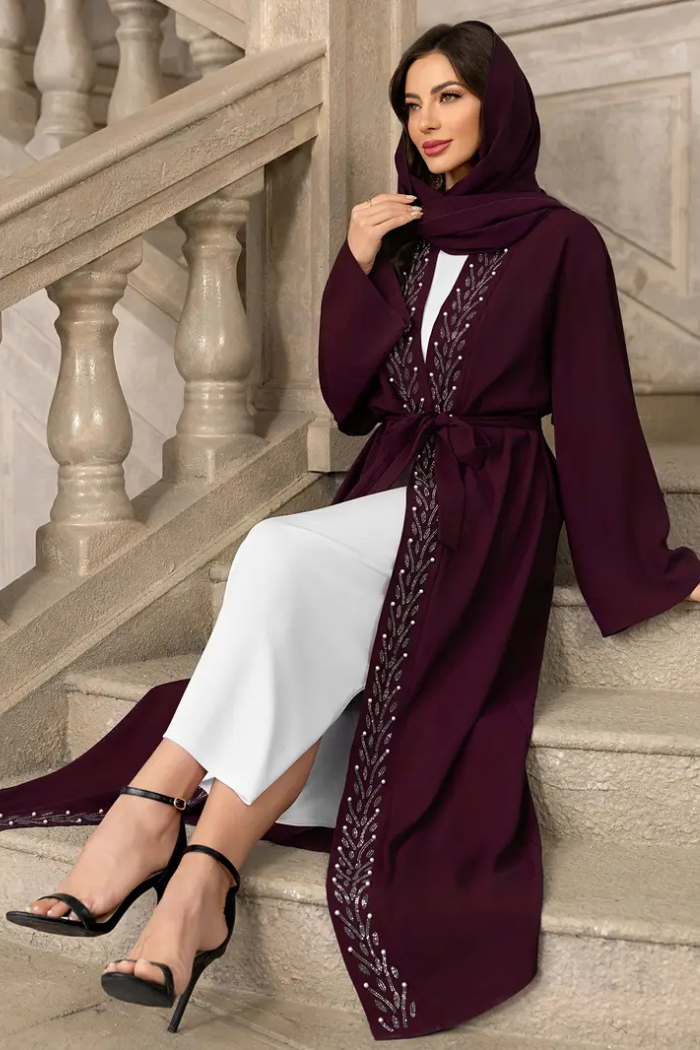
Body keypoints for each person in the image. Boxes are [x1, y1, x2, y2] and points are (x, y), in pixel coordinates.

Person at [3, 18, 700, 1042]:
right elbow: (351, 397)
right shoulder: (402, 232)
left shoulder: (562, 242)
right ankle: (200, 888)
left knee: (277, 553)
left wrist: (647, 565)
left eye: (449, 96)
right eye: (412, 103)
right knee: (300, 620)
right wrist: (360, 260)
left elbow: (595, 414)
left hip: (489, 500)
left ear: (498, 104)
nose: (427, 122)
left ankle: (148, 812)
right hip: (395, 481)